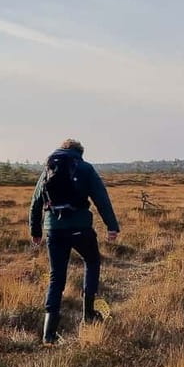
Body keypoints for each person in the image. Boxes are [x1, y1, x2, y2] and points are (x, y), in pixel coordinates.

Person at [29, 139, 119, 345]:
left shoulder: (49, 168)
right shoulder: (85, 168)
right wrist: (112, 226)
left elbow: (36, 201)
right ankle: (88, 313)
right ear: (80, 153)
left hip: (53, 229)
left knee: (56, 277)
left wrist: (36, 230)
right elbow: (101, 198)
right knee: (92, 262)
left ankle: (48, 334)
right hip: (80, 228)